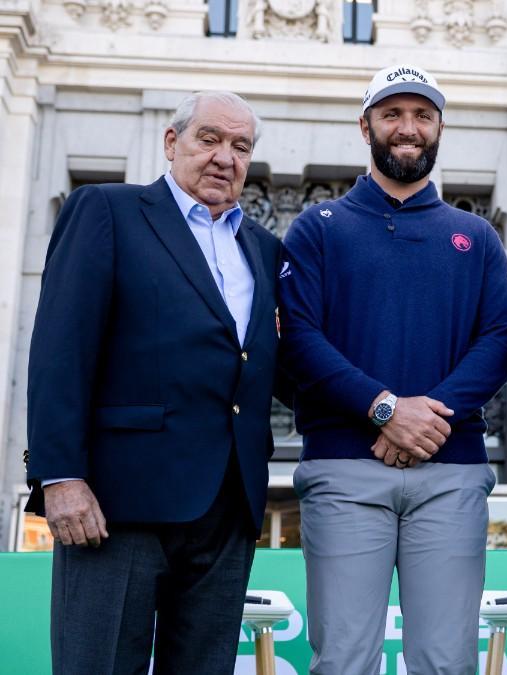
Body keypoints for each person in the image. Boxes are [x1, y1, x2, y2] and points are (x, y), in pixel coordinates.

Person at [25, 91, 281, 673]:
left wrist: (380, 408)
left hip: (226, 509)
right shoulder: (106, 210)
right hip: (116, 507)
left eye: (240, 147)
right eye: (209, 139)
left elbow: (274, 364)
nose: (224, 157)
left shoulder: (264, 248)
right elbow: (61, 349)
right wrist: (60, 475)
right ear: (172, 142)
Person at [278, 64, 507, 675]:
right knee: (344, 662)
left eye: (422, 115)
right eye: (392, 114)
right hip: (343, 470)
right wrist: (385, 408)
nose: (407, 128)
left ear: (439, 128)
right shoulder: (316, 230)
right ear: (366, 127)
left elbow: (499, 339)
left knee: (445, 663)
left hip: (451, 471)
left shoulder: (477, 237)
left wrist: (426, 417)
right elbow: (299, 339)